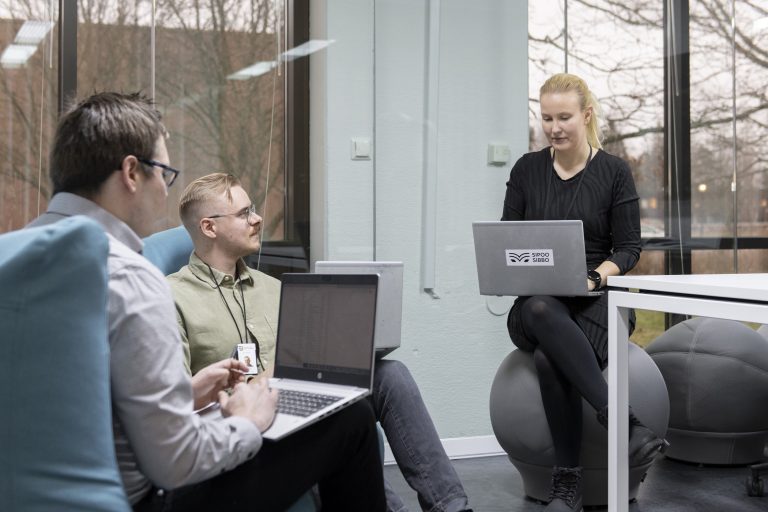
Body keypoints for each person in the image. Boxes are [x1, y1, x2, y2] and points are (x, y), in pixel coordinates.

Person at [29, 92, 385, 511]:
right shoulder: (132, 280)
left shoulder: (11, 259)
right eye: (164, 173)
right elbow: (175, 464)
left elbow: (90, 404)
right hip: (142, 500)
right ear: (131, 173)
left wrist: (185, 392)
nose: (165, 191)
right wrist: (247, 423)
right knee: (352, 421)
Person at [168, 173, 473, 512]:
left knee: (391, 374)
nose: (257, 219)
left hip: (302, 396)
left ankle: (453, 507)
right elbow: (176, 402)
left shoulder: (276, 288)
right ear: (209, 227)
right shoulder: (171, 297)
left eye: (252, 210)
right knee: (339, 423)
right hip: (247, 418)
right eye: (244, 214)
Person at [501, 73, 667, 512]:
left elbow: (628, 248)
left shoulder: (613, 172)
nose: (554, 128)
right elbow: (507, 241)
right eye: (547, 118)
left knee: (548, 358)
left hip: (598, 300)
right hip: (538, 305)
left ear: (586, 115)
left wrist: (593, 277)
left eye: (564, 117)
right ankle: (625, 424)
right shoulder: (526, 170)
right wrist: (516, 272)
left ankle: (567, 483)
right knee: (540, 308)